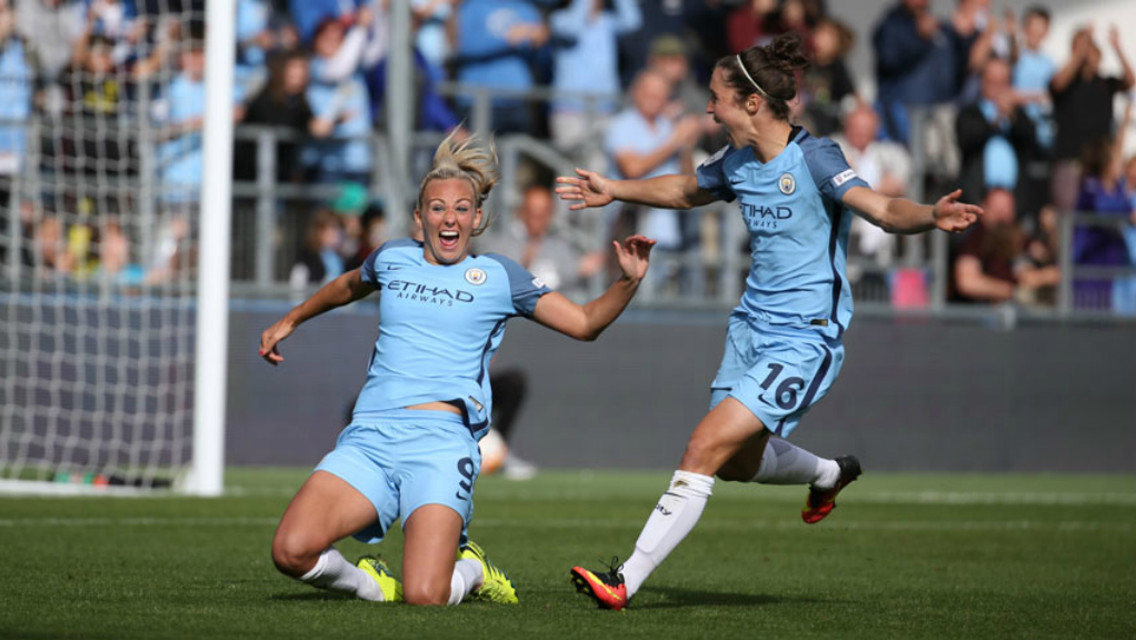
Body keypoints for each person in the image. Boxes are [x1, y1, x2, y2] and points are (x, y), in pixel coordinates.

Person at [556, 32, 981, 611]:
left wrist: (930, 214)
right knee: (734, 463)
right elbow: (685, 190)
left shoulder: (815, 157)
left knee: (703, 445)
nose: (708, 107)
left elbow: (881, 208)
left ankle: (624, 580)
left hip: (805, 337)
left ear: (752, 103)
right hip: (749, 330)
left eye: (716, 97)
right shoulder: (735, 162)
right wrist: (615, 188)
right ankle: (829, 472)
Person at [259, 131, 656, 606]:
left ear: (478, 217)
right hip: (371, 437)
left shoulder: (499, 277)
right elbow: (347, 285)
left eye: (462, 208)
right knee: (291, 551)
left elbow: (586, 322)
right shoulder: (392, 258)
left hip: (441, 446)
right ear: (419, 217)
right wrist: (291, 319)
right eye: (438, 207)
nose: (450, 218)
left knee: (426, 595)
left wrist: (627, 282)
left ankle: (472, 569)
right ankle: (372, 586)